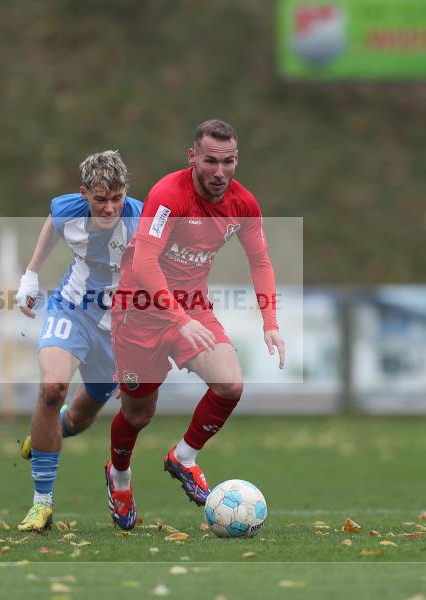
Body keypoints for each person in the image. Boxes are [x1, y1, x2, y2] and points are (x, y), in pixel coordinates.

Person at [105, 119, 285, 530]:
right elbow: (147, 260)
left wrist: (270, 321)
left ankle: (183, 458)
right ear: (192, 158)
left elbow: (261, 261)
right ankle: (119, 478)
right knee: (138, 414)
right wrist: (176, 317)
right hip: (139, 310)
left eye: (229, 161)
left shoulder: (243, 204)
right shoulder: (168, 195)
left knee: (230, 384)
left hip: (192, 308)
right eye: (210, 161)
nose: (220, 172)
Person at [14, 150, 143, 532]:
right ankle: (41, 503)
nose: (109, 207)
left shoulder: (142, 221)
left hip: (119, 326)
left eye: (116, 197)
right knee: (52, 390)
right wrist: (31, 274)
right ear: (84, 193)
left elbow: (152, 288)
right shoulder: (67, 208)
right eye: (100, 198)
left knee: (80, 417)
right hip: (72, 308)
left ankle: (50, 431)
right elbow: (52, 225)